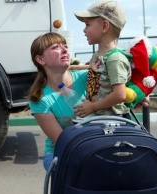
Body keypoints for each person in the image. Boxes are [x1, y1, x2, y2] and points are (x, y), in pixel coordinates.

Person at [28, 32, 88, 171]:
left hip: (92, 144)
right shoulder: (39, 99)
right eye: (56, 47)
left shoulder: (86, 78)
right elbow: (63, 141)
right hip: (60, 151)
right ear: (41, 59)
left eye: (65, 46)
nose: (65, 50)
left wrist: (138, 97)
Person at [73, 0, 131, 118]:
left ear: (104, 26)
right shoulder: (98, 55)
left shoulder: (115, 58)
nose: (84, 30)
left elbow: (120, 94)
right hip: (99, 117)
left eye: (88, 25)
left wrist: (93, 107)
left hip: (111, 120)